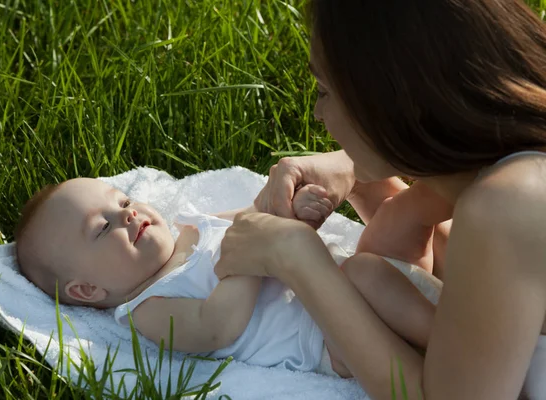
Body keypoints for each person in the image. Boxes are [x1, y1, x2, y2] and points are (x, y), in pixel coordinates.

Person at [213, 1, 546, 399]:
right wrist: (357, 176)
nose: (318, 114)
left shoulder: (507, 205)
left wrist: (297, 258)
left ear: (392, 98)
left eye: (324, 91)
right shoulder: (514, 179)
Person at [14, 177, 441, 378]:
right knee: (363, 272)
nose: (127, 213)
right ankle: (450, 339)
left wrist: (291, 208)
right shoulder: (146, 310)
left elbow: (254, 217)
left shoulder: (190, 225)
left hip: (361, 282)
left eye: (123, 200)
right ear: (87, 289)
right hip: (331, 339)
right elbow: (218, 326)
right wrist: (257, 257)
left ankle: (453, 307)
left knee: (398, 216)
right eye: (103, 227)